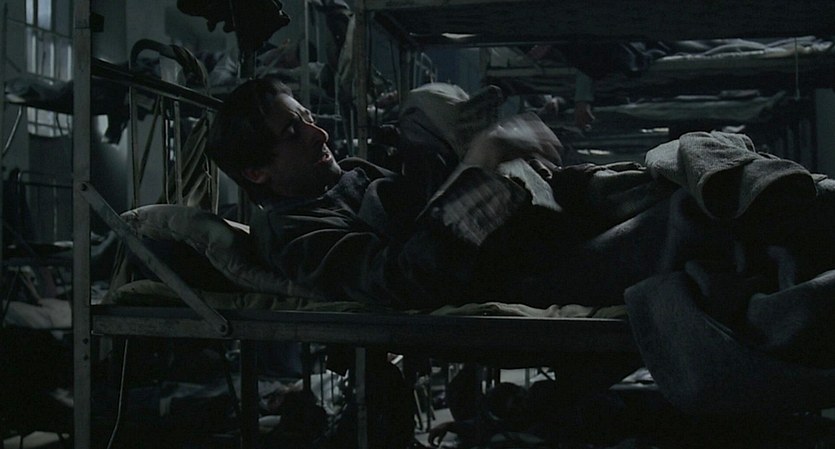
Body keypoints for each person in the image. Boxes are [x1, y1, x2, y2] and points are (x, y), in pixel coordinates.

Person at [205, 77, 670, 311]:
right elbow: (402, 279)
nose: (319, 133)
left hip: (531, 228)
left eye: (308, 118)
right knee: (682, 218)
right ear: (257, 172)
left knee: (421, 105)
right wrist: (480, 167)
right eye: (293, 131)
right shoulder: (291, 232)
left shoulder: (352, 175)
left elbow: (422, 203)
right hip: (517, 274)